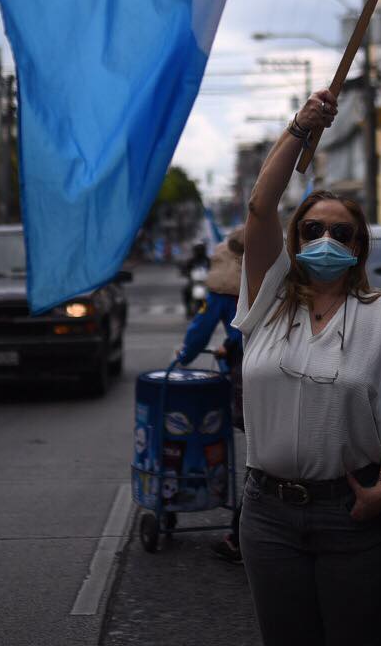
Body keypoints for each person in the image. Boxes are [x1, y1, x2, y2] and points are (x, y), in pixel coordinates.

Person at [232, 89, 381, 645]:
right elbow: (261, 207)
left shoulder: (380, 314)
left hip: (351, 518)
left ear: (359, 248)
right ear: (296, 239)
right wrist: (299, 128)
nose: (327, 239)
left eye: (342, 232)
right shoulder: (267, 301)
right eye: (314, 230)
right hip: (268, 515)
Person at [175, 226, 247, 564]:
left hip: (248, 376)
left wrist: (184, 357)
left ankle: (241, 534)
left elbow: (200, 329)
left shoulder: (223, 289)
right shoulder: (283, 278)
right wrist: (230, 344)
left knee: (259, 458)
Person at [180, 240, 211, 316]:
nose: (199, 251)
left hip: (206, 282)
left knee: (215, 293)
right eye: (198, 249)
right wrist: (185, 273)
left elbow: (214, 268)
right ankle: (188, 309)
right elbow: (184, 269)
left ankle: (213, 310)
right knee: (185, 291)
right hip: (194, 282)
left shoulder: (208, 260)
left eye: (201, 249)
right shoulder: (191, 261)